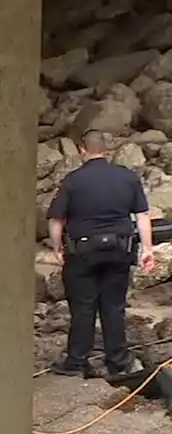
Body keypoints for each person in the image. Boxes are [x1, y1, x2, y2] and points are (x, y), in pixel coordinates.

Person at [47, 129, 157, 378]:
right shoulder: (127, 177)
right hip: (119, 250)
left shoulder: (73, 180)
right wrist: (147, 249)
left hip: (83, 252)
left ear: (82, 150)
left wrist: (57, 248)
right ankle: (118, 362)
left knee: (83, 307)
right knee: (114, 307)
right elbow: (142, 216)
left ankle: (76, 362)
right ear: (107, 150)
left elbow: (56, 220)